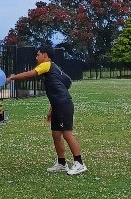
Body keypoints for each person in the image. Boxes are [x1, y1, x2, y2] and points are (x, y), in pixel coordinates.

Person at [7, 43, 87, 175]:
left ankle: (79, 163)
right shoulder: (53, 67)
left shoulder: (46, 64)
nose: (36, 57)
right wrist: (52, 109)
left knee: (66, 134)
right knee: (56, 134)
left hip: (63, 105)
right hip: (58, 106)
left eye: (38, 54)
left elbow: (29, 74)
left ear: (45, 55)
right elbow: (62, 86)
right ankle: (62, 163)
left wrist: (12, 77)